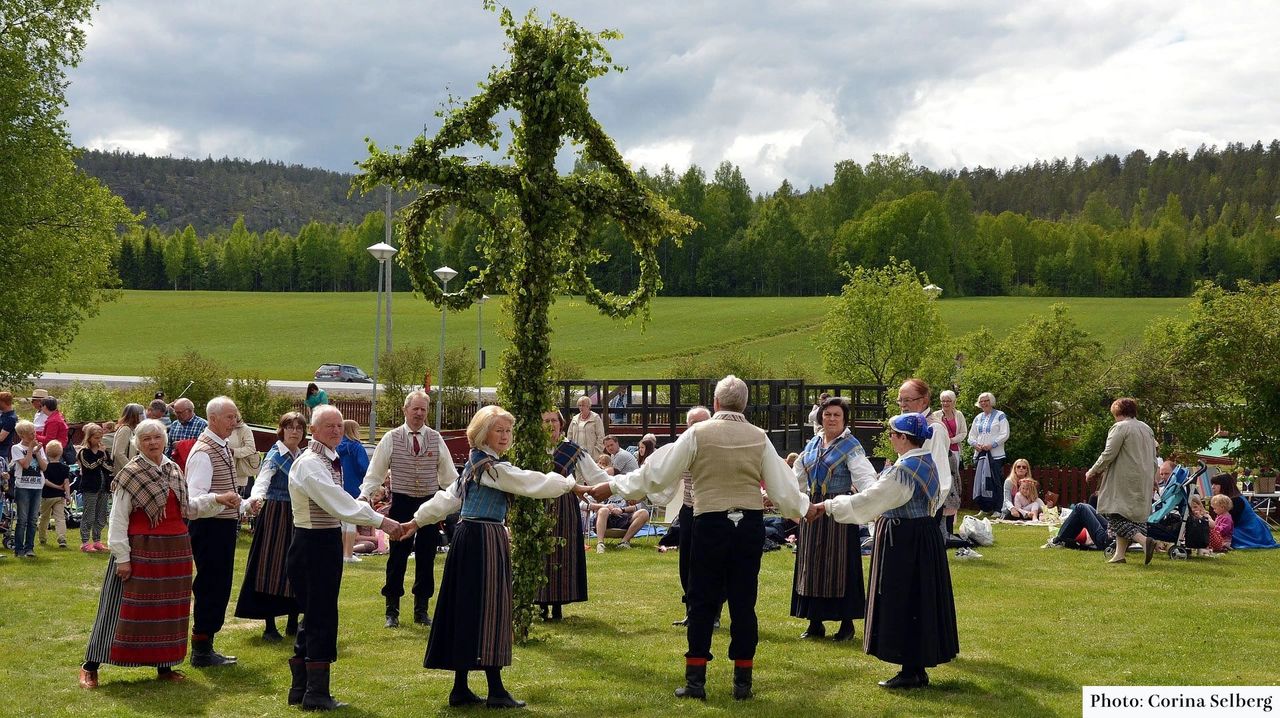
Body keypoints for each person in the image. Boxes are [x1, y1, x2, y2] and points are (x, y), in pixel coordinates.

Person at [590, 375, 813, 701]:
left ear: (716, 404)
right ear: (745, 405)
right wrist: (804, 508)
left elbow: (656, 474)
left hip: (709, 521)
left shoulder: (697, 434)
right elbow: (783, 490)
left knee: (701, 599)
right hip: (748, 524)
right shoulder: (759, 437)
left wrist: (613, 486)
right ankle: (742, 683)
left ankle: (696, 682)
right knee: (743, 601)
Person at [402, 405, 583, 709]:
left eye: (508, 431)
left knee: (467, 609)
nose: (504, 436)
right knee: (490, 610)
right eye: (498, 430)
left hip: (472, 539)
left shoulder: (481, 463)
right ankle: (495, 690)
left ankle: (461, 688)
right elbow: (527, 482)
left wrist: (416, 520)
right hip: (482, 541)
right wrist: (568, 483)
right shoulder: (488, 467)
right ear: (483, 433)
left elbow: (449, 497)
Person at [79, 419, 239, 689]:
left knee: (168, 610)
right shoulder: (130, 474)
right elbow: (118, 519)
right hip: (142, 549)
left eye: (157, 437)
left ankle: (164, 667)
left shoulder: (174, 468)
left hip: (175, 551)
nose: (152, 442)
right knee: (121, 609)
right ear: (137, 443)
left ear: (164, 439)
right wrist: (123, 557)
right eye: (146, 439)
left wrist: (217, 499)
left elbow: (186, 507)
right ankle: (90, 666)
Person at [813, 413, 959, 690]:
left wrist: (829, 506)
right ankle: (915, 668)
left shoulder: (903, 470)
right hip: (922, 535)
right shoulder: (926, 462)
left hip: (905, 539)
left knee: (903, 599)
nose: (890, 438)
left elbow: (872, 499)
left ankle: (910, 670)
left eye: (892, 434)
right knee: (918, 600)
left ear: (903, 438)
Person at [284, 405, 401, 710]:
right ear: (313, 429)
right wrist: (381, 521)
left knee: (316, 614)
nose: (336, 431)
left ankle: (301, 689)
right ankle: (316, 694)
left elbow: (343, 501)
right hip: (312, 544)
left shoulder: (327, 460)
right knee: (321, 616)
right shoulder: (310, 463)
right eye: (328, 426)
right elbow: (337, 503)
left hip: (322, 542)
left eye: (339, 426)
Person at [359, 390, 459, 628]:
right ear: (405, 410)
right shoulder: (391, 438)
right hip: (401, 504)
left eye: (423, 409)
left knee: (427, 557)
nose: (419, 413)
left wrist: (457, 496)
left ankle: (421, 610)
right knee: (397, 558)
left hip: (429, 504)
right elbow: (376, 471)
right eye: (415, 409)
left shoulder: (436, 438)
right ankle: (391, 611)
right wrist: (365, 494)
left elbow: (449, 477)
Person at [791, 395, 876, 642]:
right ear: (821, 417)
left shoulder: (851, 446)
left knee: (840, 566)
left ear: (845, 420)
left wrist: (872, 500)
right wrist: (783, 495)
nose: (831, 419)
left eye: (836, 415)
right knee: (812, 564)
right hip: (812, 510)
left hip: (839, 511)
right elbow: (797, 475)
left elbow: (865, 478)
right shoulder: (814, 444)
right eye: (827, 414)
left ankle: (846, 624)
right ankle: (815, 622)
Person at [185, 396, 245, 666]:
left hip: (221, 525)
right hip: (209, 528)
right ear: (213, 419)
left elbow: (221, 492)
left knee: (219, 585)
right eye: (230, 417)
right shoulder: (204, 452)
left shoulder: (220, 446)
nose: (235, 422)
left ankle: (206, 645)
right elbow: (193, 499)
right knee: (211, 585)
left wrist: (243, 505)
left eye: (235, 417)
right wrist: (221, 500)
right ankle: (200, 649)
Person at [236, 412, 307, 642]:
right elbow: (262, 481)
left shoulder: (303, 456)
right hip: (276, 513)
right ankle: (269, 626)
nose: (294, 431)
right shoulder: (275, 455)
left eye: (299, 427)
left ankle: (293, 622)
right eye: (290, 427)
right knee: (271, 567)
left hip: (298, 515)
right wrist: (255, 499)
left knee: (297, 566)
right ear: (282, 430)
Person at [537, 408, 611, 621]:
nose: (550, 424)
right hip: (538, 505)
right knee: (541, 553)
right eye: (545, 420)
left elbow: (595, 475)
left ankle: (558, 605)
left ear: (561, 424)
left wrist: (620, 488)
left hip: (563, 506)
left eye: (554, 420)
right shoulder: (532, 448)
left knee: (562, 553)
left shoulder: (571, 449)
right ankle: (540, 604)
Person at [1085, 398, 1159, 565]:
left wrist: (1093, 470)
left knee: (1114, 513)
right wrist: (1154, 478)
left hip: (1124, 478)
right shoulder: (1147, 429)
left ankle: (1143, 541)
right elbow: (1153, 458)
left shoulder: (1120, 427)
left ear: (1118, 411)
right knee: (1129, 515)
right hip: (1144, 478)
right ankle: (1119, 554)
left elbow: (1108, 453)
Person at [669, 406, 711, 625]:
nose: (697, 428)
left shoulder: (717, 447)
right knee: (686, 561)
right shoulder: (681, 448)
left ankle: (712, 613)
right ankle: (690, 610)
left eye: (702, 423)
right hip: (688, 510)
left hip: (712, 511)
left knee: (711, 563)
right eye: (693, 424)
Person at [929, 390, 966, 536]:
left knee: (952, 479)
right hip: (940, 450)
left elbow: (963, 432)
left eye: (948, 401)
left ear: (953, 402)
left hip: (954, 450)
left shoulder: (959, 415)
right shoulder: (936, 415)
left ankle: (951, 508)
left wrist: (952, 440)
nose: (945, 403)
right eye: (943, 401)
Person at [10, 421, 48, 557]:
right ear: (22, 435)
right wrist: (31, 449)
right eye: (30, 434)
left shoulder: (39, 448)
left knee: (33, 519)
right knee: (22, 519)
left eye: (34, 432)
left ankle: (29, 548)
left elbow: (44, 467)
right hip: (23, 487)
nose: (34, 435)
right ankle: (19, 549)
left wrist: (37, 452)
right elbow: (25, 465)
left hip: (37, 486)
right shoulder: (16, 448)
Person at [1210, 473, 1277, 549]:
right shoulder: (1227, 499)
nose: (1213, 487)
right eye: (1212, 484)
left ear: (1225, 485)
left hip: (1251, 531)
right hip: (1242, 527)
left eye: (1216, 484)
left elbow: (1230, 524)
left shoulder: (1236, 500)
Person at [967, 392, 1008, 515]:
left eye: (986, 400)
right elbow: (971, 435)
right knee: (981, 482)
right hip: (980, 455)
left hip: (995, 455)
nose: (984, 403)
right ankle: (984, 508)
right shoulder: (978, 417)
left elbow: (1004, 434)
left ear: (991, 401)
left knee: (995, 481)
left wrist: (992, 444)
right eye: (981, 401)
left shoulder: (1000, 415)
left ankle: (997, 508)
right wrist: (975, 444)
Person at [336, 419, 370, 562]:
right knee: (351, 522)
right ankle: (348, 554)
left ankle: (342, 553)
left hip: (339, 487)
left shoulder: (336, 447)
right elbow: (365, 468)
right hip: (354, 488)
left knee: (343, 522)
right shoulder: (356, 447)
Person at [77, 424, 111, 552]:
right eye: (96, 438)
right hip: (90, 487)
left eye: (100, 437)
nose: (99, 441)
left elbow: (110, 467)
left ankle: (97, 540)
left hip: (104, 486)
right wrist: (101, 457)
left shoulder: (104, 451)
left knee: (101, 515)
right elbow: (89, 466)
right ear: (89, 438)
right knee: (89, 515)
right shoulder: (84, 452)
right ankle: (85, 542)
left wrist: (102, 458)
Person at [37, 440, 71, 548]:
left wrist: (55, 486)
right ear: (61, 453)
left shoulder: (45, 467)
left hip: (46, 496)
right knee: (60, 518)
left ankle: (42, 537)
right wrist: (68, 494)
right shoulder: (65, 468)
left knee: (44, 517)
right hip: (60, 496)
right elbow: (66, 482)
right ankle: (62, 537)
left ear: (46, 453)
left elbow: (45, 481)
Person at [227, 415, 261, 496]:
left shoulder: (244, 429)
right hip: (220, 473)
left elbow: (251, 449)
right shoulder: (219, 428)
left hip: (239, 474)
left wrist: (234, 451)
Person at [113, 404, 144, 479]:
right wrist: (131, 469)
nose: (143, 416)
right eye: (141, 413)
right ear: (134, 415)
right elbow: (118, 453)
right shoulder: (125, 429)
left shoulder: (132, 429)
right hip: (125, 473)